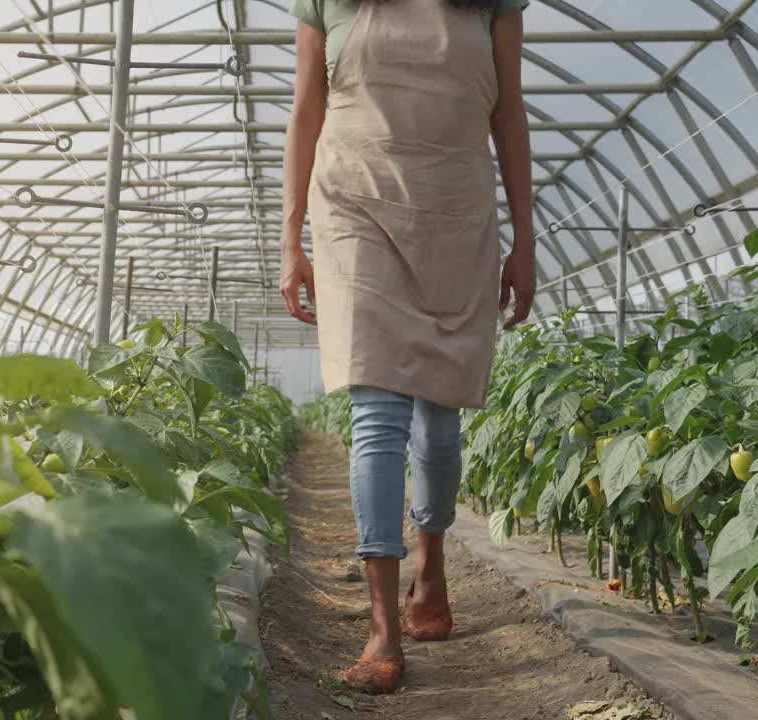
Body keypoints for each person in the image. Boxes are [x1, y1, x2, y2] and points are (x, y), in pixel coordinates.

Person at [280, 0, 536, 695]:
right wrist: (291, 237)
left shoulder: (492, 5)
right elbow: (306, 111)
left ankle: (433, 558)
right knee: (378, 415)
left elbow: (508, 113)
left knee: (440, 422)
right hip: (355, 207)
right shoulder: (328, 4)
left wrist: (526, 241)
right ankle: (383, 625)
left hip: (455, 211)